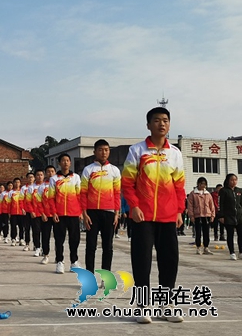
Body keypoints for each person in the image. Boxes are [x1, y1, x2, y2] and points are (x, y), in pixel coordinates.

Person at [121, 107, 185, 324]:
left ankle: (167, 305)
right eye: (156, 120)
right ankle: (142, 305)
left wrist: (179, 211)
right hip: (142, 217)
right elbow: (127, 183)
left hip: (168, 216)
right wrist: (134, 206)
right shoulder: (137, 151)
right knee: (142, 261)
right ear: (148, 125)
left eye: (165, 120)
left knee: (169, 261)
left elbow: (179, 186)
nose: (161, 124)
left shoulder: (175, 153)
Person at [81, 139, 121, 275]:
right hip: (92, 213)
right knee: (91, 246)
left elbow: (117, 193)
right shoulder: (88, 170)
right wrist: (84, 214)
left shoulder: (114, 170)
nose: (104, 152)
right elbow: (83, 193)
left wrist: (117, 213)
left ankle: (106, 276)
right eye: (100, 150)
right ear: (94, 152)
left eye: (106, 150)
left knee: (107, 247)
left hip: (109, 212)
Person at [48, 153, 83, 274]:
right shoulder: (54, 179)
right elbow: (51, 198)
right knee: (59, 239)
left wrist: (81, 212)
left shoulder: (76, 178)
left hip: (74, 213)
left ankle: (74, 262)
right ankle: (60, 261)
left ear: (70, 163)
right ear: (59, 163)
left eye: (68, 160)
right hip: (60, 214)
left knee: (75, 239)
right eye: (63, 161)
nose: (66, 162)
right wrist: (53, 213)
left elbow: (79, 196)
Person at [187, 177, 215, 255]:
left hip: (206, 215)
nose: (203, 186)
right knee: (198, 232)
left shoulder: (208, 194)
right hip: (197, 215)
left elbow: (211, 205)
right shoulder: (193, 194)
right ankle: (198, 247)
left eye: (205, 184)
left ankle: (206, 247)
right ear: (198, 184)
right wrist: (191, 215)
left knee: (206, 232)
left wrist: (212, 215)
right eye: (202, 184)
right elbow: (190, 206)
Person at [218, 174, 242, 260]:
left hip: (239, 217)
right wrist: (221, 215)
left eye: (235, 180)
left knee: (241, 235)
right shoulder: (223, 191)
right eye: (232, 180)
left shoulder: (239, 191)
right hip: (228, 217)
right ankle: (232, 252)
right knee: (230, 235)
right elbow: (220, 204)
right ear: (228, 181)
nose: (234, 182)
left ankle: (241, 252)